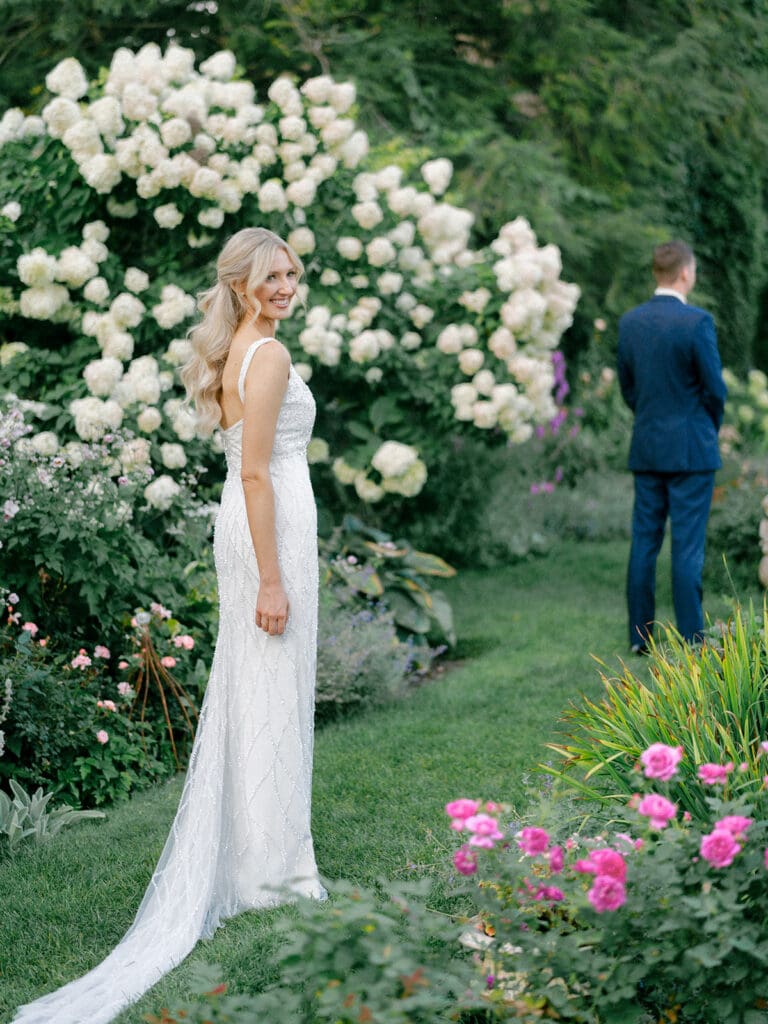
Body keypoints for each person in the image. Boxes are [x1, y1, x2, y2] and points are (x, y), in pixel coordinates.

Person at [13, 227, 327, 1024]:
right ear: (241, 285)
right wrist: (273, 577)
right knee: (267, 687)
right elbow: (255, 469)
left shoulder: (239, 352)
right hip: (267, 532)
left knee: (260, 689)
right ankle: (271, 871)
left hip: (255, 523)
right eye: (273, 277)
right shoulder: (271, 358)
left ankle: (269, 859)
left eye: (292, 273)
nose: (289, 287)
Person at [617, 239, 727, 654]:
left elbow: (629, 389)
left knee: (644, 543)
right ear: (685, 272)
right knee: (687, 546)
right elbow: (715, 389)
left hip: (647, 447)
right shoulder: (697, 322)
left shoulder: (630, 322)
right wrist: (705, 427)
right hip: (691, 452)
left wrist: (649, 419)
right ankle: (693, 640)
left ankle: (639, 640)